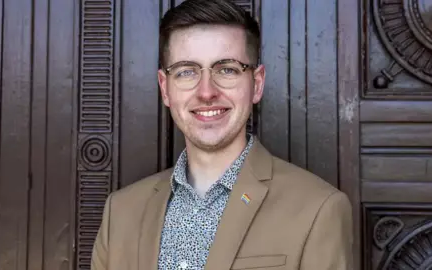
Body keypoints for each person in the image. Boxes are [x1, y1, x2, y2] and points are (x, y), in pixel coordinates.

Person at [91, 0, 354, 269]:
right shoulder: (120, 213)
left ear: (257, 84)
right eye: (186, 71)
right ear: (165, 88)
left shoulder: (319, 209)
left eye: (227, 69)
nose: (206, 92)